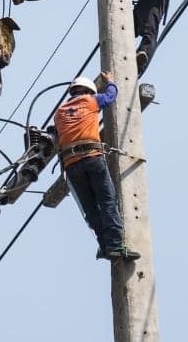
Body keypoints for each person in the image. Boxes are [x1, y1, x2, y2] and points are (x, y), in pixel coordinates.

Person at [53, 73, 141, 261]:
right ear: (89, 91)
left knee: (91, 209)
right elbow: (110, 96)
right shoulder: (90, 101)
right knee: (108, 201)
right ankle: (115, 244)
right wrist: (110, 81)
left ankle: (104, 245)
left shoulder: (59, 112)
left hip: (71, 165)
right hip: (92, 158)